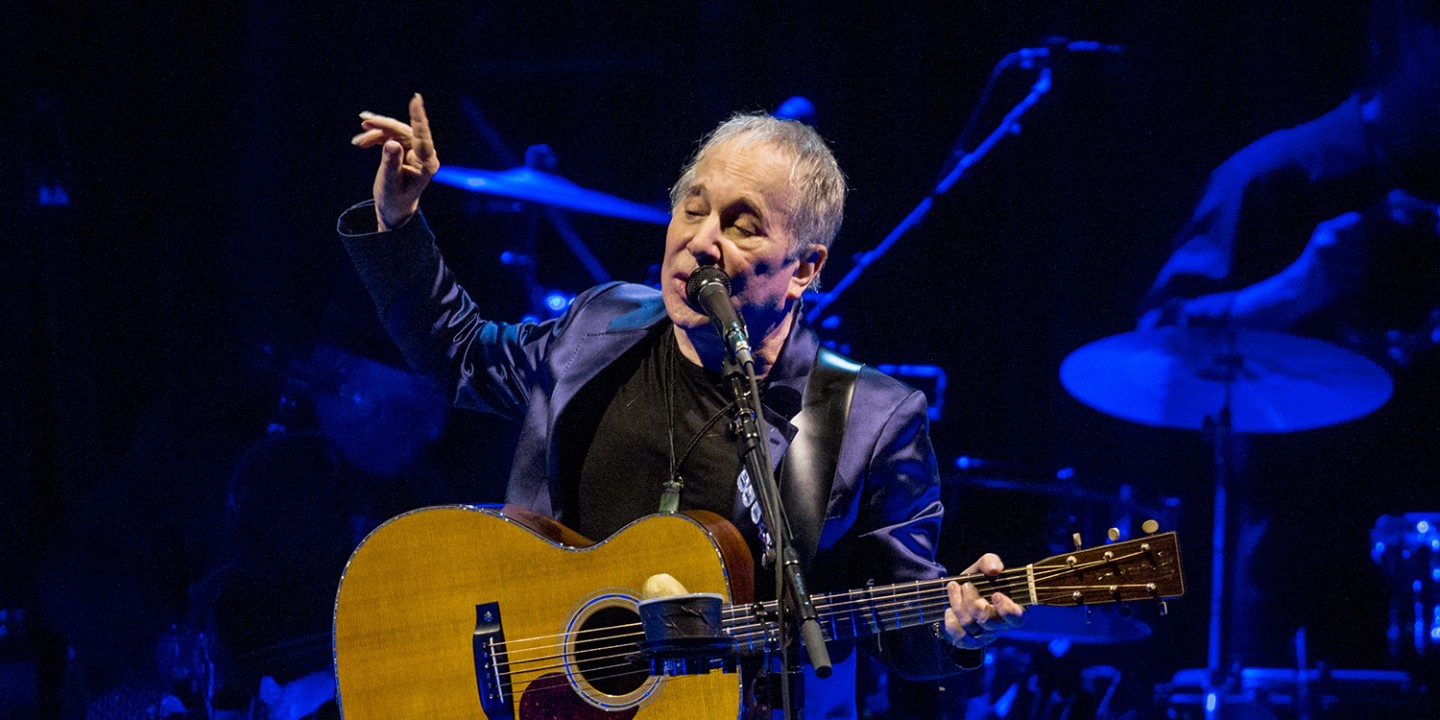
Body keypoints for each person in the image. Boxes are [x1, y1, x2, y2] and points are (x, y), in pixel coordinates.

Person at [337, 94, 1023, 718]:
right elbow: (460, 355)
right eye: (692, 208)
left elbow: (905, 629)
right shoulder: (595, 327)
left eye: (742, 226)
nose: (702, 240)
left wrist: (958, 627)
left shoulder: (871, 418)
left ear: (805, 268)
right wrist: (399, 222)